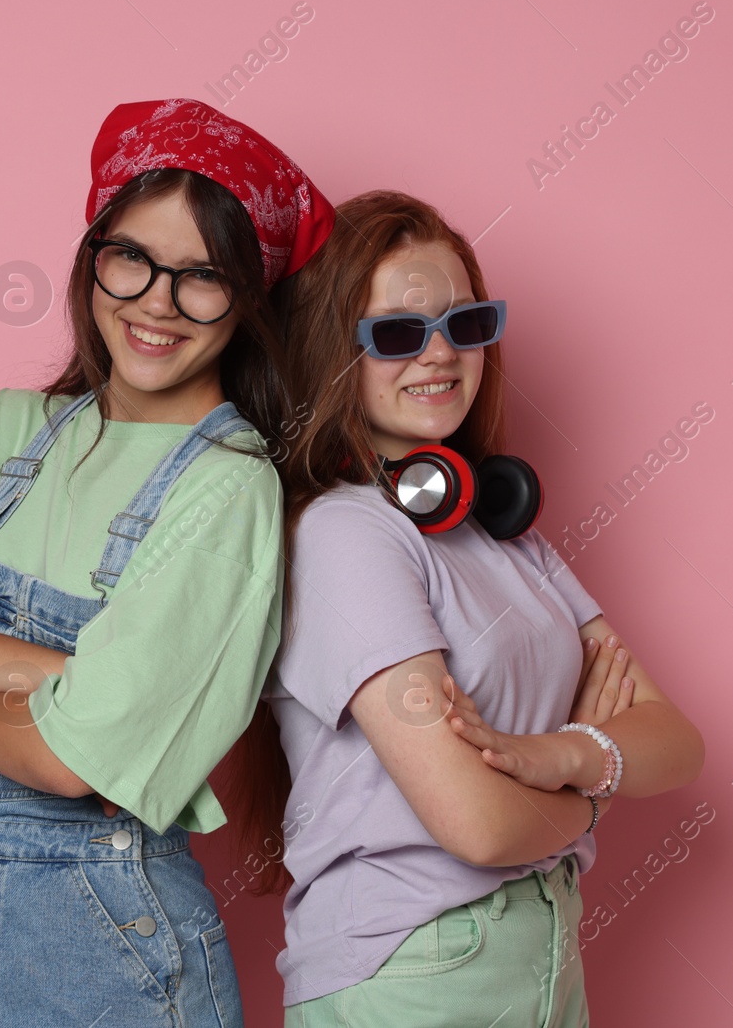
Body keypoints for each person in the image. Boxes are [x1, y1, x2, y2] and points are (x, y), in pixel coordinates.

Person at [0, 98, 333, 1027]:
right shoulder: (13, 431)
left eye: (202, 276)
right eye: (131, 258)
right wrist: (51, 672)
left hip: (109, 952)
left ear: (245, 300)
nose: (156, 303)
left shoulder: (227, 488)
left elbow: (64, 762)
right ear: (94, 259)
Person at [267, 190, 705, 1026]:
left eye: (464, 325)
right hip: (415, 963)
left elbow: (679, 744)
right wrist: (601, 783)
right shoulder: (346, 537)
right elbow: (478, 825)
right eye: (397, 333)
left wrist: (560, 752)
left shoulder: (506, 537)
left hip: (540, 948)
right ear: (334, 351)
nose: (438, 355)